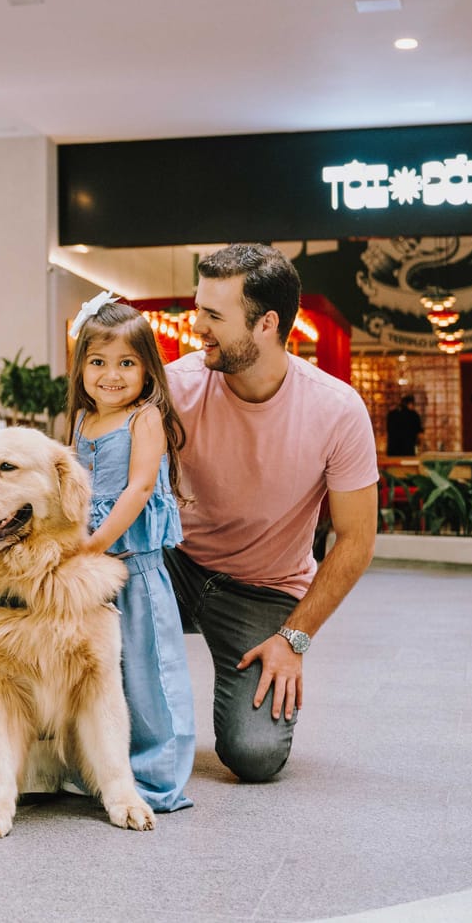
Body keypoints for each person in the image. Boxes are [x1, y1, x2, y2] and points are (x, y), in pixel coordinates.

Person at [165, 243, 380, 784]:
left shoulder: (337, 410)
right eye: (199, 309)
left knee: (255, 755)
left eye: (214, 316)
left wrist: (294, 639)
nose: (198, 327)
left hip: (264, 586)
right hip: (173, 564)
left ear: (267, 324)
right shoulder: (173, 388)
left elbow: (355, 542)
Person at [66, 295, 195, 814]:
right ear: (81, 368)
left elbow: (139, 489)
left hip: (133, 569)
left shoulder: (146, 417)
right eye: (98, 362)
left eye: (126, 363)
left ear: (147, 368)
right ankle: (98, 771)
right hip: (87, 575)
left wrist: (93, 545)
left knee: (149, 673)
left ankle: (156, 778)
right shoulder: (80, 420)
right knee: (97, 674)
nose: (111, 375)